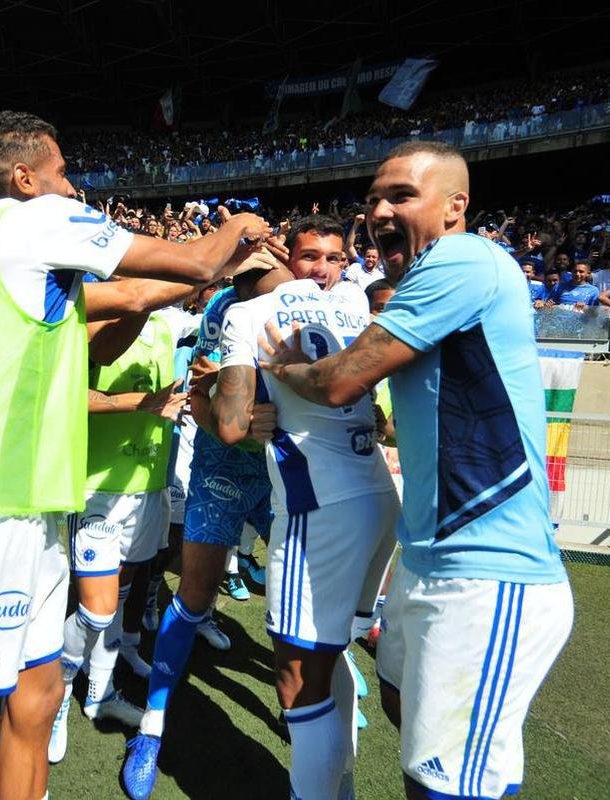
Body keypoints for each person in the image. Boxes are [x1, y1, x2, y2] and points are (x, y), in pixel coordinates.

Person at [0, 110, 268, 800]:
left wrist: (223, 267)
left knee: (34, 704)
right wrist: (242, 232)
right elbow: (189, 262)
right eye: (63, 173)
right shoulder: (26, 218)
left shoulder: (16, 252)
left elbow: (132, 294)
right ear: (23, 175)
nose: (72, 187)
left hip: (33, 510)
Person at [259, 141, 573, 800]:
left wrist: (285, 368)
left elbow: (342, 379)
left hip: (488, 575)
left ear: (456, 205)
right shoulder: (437, 284)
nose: (377, 210)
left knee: (443, 784)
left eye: (400, 195)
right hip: (429, 563)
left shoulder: (461, 259)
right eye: (373, 198)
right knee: (404, 705)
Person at [210, 246, 401, 799]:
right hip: (377, 494)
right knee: (333, 649)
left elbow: (227, 425)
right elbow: (378, 414)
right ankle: (340, 788)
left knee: (296, 678)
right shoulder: (350, 307)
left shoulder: (245, 315)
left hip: (317, 505)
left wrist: (247, 419)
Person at [48, 310, 187, 764]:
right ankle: (56, 697)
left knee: (121, 596)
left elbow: (219, 296)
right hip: (98, 489)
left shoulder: (169, 325)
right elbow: (70, 395)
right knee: (96, 607)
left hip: (149, 486)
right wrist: (143, 402)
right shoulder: (92, 319)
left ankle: (102, 691)